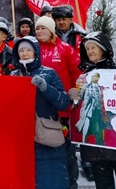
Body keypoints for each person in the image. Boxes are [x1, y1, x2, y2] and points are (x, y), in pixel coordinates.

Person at [69, 32, 116, 189]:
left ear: (104, 49)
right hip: (97, 146)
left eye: (93, 47)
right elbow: (78, 108)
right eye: (87, 49)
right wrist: (73, 96)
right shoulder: (84, 78)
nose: (90, 52)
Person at [11, 36, 70, 189]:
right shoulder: (13, 75)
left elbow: (63, 102)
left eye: (28, 50)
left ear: (36, 52)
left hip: (46, 137)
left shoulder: (49, 74)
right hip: (21, 138)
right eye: (21, 50)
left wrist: (45, 87)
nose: (24, 54)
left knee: (50, 181)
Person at [34, 16, 82, 189]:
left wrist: (75, 92)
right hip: (38, 111)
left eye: (43, 28)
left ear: (52, 31)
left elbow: (77, 73)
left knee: (66, 151)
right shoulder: (32, 49)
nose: (40, 32)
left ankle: (71, 183)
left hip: (62, 111)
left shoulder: (65, 49)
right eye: (37, 28)